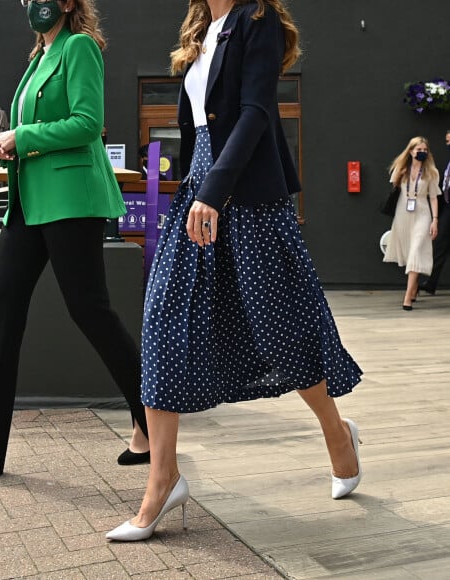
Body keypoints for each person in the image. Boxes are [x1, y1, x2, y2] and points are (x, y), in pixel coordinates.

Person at [106, 0, 363, 542]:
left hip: (245, 195)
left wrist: (216, 193)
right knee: (161, 322)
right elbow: (200, 125)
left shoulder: (257, 20)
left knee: (280, 332)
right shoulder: (202, 31)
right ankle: (163, 478)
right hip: (199, 190)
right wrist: (202, 192)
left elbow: (256, 113)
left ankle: (337, 432)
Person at [0, 0, 149, 481]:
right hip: (28, 204)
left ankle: (151, 415)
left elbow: (87, 123)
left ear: (68, 2)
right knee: (0, 309)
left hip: (72, 200)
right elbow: (35, 131)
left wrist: (21, 136)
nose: (31, 2)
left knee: (89, 311)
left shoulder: (80, 48)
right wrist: (11, 143)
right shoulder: (36, 59)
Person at [383, 136, 440, 310]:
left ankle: (407, 296)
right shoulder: (401, 168)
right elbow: (394, 187)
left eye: (425, 150)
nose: (422, 153)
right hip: (403, 213)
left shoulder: (431, 172)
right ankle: (414, 287)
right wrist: (400, 176)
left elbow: (433, 198)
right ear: (411, 151)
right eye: (419, 150)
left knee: (416, 250)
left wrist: (435, 220)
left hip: (422, 213)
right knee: (409, 252)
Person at [419, 129, 450, 295]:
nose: (447, 144)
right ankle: (431, 283)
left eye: (449, 141)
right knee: (439, 245)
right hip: (447, 206)